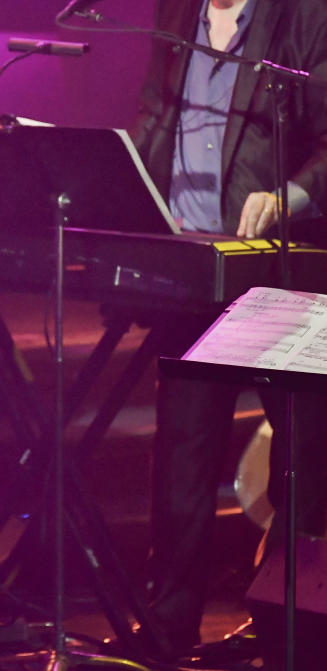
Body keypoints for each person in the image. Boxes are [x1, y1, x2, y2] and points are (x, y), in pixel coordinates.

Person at [129, 0, 327, 659]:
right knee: (182, 463)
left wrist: (288, 195)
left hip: (283, 277)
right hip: (190, 274)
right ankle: (167, 631)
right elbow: (157, 124)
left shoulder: (303, 17)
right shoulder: (174, 16)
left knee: (304, 464)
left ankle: (289, 627)